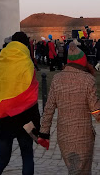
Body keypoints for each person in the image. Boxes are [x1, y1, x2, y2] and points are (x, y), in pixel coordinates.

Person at [0, 31, 40, 175]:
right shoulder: (27, 63)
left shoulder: (0, 62)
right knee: (27, 157)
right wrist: (37, 121)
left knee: (2, 158)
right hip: (25, 118)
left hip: (4, 117)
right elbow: (32, 95)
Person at [39, 42, 100, 174]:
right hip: (83, 136)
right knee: (82, 170)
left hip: (64, 135)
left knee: (73, 169)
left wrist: (44, 132)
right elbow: (96, 111)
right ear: (83, 61)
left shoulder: (57, 79)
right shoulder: (88, 80)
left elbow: (48, 108)